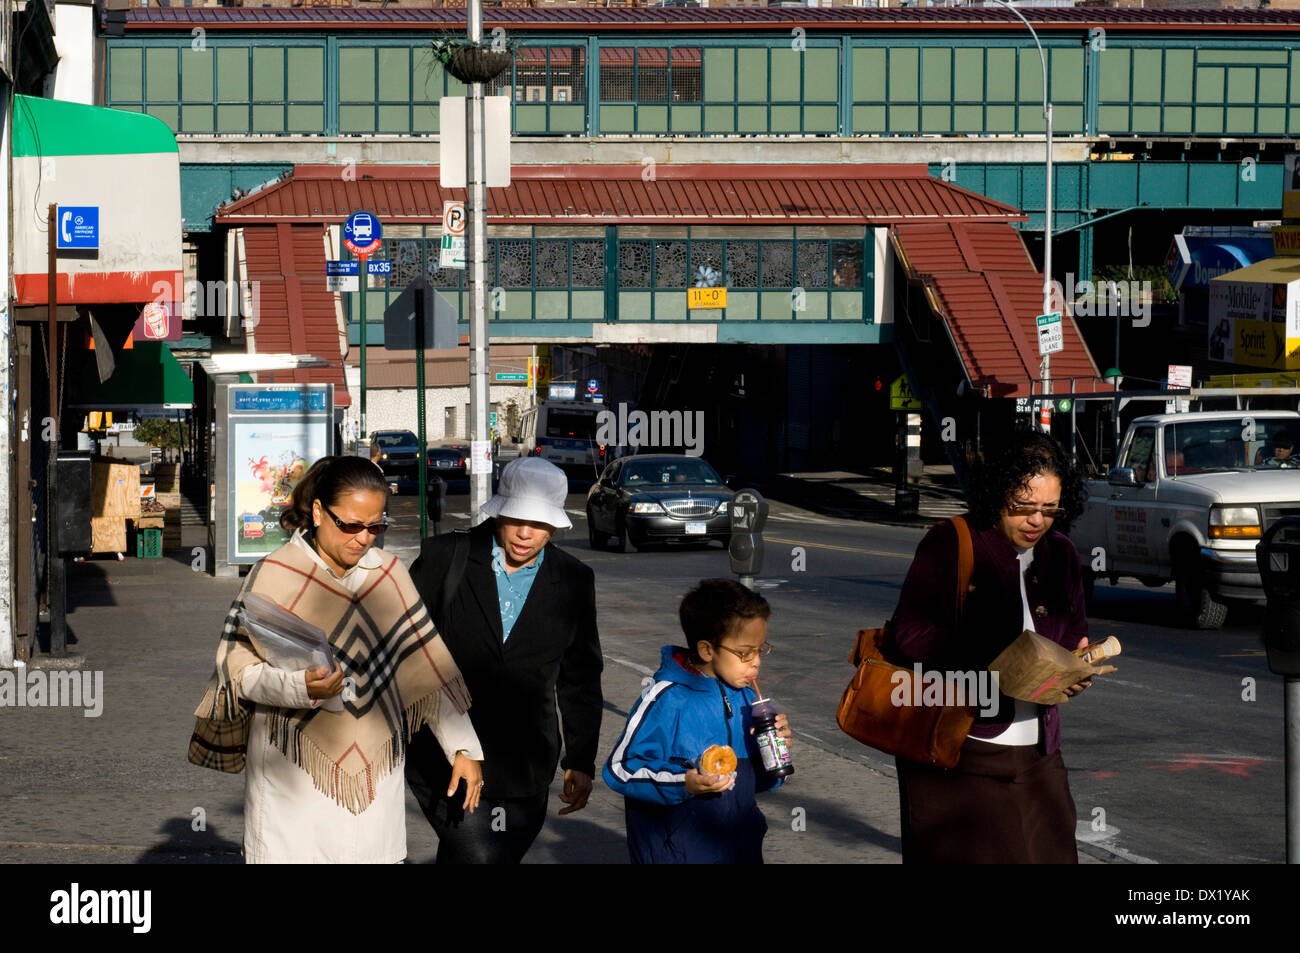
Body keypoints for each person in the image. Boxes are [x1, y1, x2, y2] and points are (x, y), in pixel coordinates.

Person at [188, 456, 483, 863]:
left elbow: (426, 668)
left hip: (374, 793)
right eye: (350, 525)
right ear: (318, 512)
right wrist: (300, 688)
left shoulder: (390, 574)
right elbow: (238, 674)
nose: (364, 539)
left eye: (376, 526)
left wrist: (464, 749)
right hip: (290, 793)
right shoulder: (274, 573)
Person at [890, 430, 1092, 864]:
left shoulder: (1061, 554)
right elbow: (909, 634)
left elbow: (1074, 631)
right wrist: (988, 659)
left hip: (1039, 755)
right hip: (963, 752)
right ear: (998, 492)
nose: (1036, 521)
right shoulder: (953, 542)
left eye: (1049, 510)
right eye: (1023, 508)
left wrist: (1075, 671)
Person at [405, 456, 603, 863]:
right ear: (499, 512)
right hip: (441, 755)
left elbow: (580, 677)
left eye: (540, 523)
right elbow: (404, 649)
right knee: (481, 856)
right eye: (516, 518)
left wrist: (581, 759)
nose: (525, 533)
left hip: (524, 765)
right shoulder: (445, 557)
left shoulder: (574, 579)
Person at [602, 578, 791, 864]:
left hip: (739, 848)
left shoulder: (746, 698)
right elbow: (621, 769)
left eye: (760, 649)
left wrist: (776, 756)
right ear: (707, 650)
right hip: (677, 853)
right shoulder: (667, 698)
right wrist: (684, 782)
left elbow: (754, 783)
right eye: (745, 652)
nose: (756, 662)